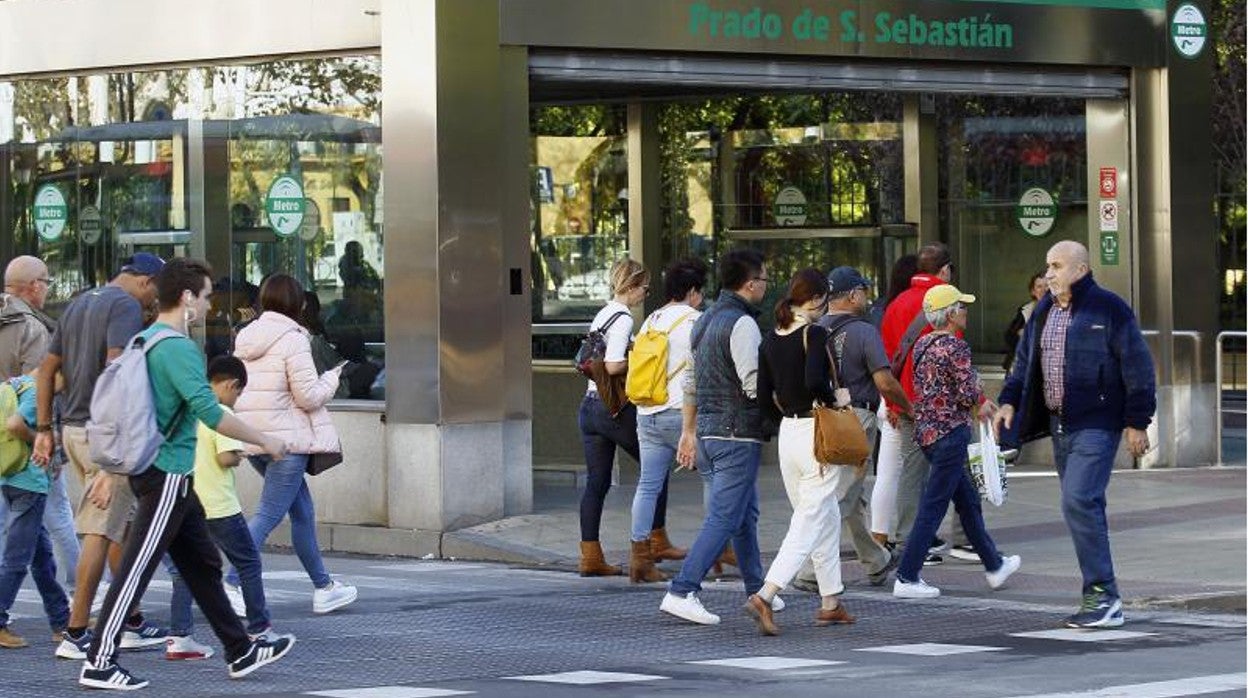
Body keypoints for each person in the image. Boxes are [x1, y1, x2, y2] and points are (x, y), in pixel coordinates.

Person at [77, 258, 295, 690]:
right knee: (137, 568)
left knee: (203, 566)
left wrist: (108, 470)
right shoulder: (177, 347)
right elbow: (211, 412)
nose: (211, 305)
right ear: (187, 298)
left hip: (167, 473)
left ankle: (241, 649)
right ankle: (100, 660)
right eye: (208, 296)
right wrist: (265, 440)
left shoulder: (145, 339)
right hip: (167, 474)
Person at [993, 241, 1155, 628]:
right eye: (1048, 266)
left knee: (1079, 500)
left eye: (1057, 266)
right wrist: (1009, 400)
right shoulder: (1044, 310)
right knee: (1081, 504)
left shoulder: (1108, 308)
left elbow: (1138, 365)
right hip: (1059, 425)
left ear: (1080, 270)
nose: (1048, 273)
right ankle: (1099, 595)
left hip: (1098, 423)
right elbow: (1024, 363)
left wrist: (1137, 421)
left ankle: (1103, 594)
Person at [33, 253, 169, 660]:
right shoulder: (124, 305)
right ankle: (76, 632)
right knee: (99, 527)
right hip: (104, 432)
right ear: (145, 281)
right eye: (156, 292)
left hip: (74, 428)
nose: (153, 302)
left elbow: (46, 371)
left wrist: (44, 430)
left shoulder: (79, 301)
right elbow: (117, 369)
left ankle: (130, 620)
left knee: (115, 526)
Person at [229, 274, 358, 614]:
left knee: (302, 512)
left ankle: (324, 586)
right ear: (297, 304)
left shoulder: (246, 336)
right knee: (269, 514)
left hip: (255, 437)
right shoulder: (293, 338)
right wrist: (332, 377)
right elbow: (308, 396)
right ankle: (229, 582)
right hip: (287, 442)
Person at [660, 248, 769, 626]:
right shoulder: (743, 325)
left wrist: (689, 431)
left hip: (708, 431)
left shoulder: (703, 320)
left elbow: (691, 382)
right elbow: (753, 382)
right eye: (765, 280)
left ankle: (758, 590)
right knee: (724, 516)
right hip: (736, 433)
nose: (766, 287)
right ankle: (683, 588)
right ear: (751, 283)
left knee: (743, 513)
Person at [744, 268, 854, 636]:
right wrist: (834, 399)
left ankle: (830, 601)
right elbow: (814, 381)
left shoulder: (772, 337)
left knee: (823, 515)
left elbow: (763, 397)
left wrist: (785, 418)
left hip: (789, 435)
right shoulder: (815, 331)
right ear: (818, 298)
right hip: (816, 432)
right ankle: (767, 593)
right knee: (808, 520)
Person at [892, 285, 1021, 599]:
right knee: (933, 507)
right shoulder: (954, 347)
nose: (965, 311)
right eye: (961, 307)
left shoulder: (923, 343)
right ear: (949, 313)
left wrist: (977, 400)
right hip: (950, 434)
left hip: (927, 433)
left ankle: (994, 565)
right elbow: (965, 391)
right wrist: (982, 402)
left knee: (967, 501)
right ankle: (907, 577)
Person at [789, 266, 912, 592]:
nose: (867, 298)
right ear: (854, 294)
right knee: (838, 496)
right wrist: (909, 408)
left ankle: (876, 561)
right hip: (856, 419)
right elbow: (884, 380)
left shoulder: (811, 329)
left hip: (822, 419)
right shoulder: (863, 331)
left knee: (848, 495)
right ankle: (807, 570)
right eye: (864, 292)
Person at [166, 356, 287, 660]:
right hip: (219, 505)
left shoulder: (188, 408)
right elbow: (225, 457)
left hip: (188, 503)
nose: (237, 398)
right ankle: (260, 629)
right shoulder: (218, 411)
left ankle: (180, 636)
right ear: (230, 385)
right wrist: (241, 453)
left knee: (187, 571)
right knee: (247, 562)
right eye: (238, 392)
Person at [0, 256, 78, 590]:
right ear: (33, 286)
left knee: (16, 526)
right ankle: (82, 593)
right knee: (58, 515)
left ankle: (54, 608)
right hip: (26, 437)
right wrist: (51, 443)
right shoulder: (32, 328)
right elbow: (42, 388)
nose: (47, 290)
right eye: (46, 282)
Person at [627, 259, 705, 583]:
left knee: (647, 486)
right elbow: (698, 375)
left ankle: (640, 560)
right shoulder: (696, 322)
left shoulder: (650, 320)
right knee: (719, 475)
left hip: (646, 413)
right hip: (679, 415)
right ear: (692, 291)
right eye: (700, 290)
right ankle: (722, 548)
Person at [879, 243, 958, 564]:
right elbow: (955, 355)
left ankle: (911, 537)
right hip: (942, 407)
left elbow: (884, 358)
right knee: (954, 471)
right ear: (944, 270)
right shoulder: (946, 300)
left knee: (911, 472)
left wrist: (893, 402)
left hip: (908, 403)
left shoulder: (897, 303)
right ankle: (916, 541)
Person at [576, 258, 652, 576]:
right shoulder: (622, 319)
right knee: (654, 471)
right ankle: (649, 549)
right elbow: (613, 365)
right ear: (631, 287)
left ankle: (590, 557)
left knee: (597, 482)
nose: (645, 295)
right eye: (644, 289)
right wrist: (639, 355)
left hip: (589, 407)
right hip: (614, 410)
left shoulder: (603, 313)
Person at [0, 372, 69, 650]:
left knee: (42, 557)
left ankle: (61, 620)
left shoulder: (11, 385)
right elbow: (15, 424)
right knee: (17, 559)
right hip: (29, 480)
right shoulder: (35, 391)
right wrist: (41, 442)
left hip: (8, 475)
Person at [868, 254, 919, 548]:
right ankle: (901, 534)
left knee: (886, 470)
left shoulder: (881, 310)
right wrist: (899, 403)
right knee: (905, 472)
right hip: (899, 396)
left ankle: (878, 533)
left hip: (885, 397)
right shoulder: (911, 308)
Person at [1002, 271, 1047, 372]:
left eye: (1047, 286)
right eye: (1039, 286)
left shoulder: (1061, 311)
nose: (1044, 290)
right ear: (1033, 291)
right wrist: (1020, 334)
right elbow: (1009, 338)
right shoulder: (1025, 311)